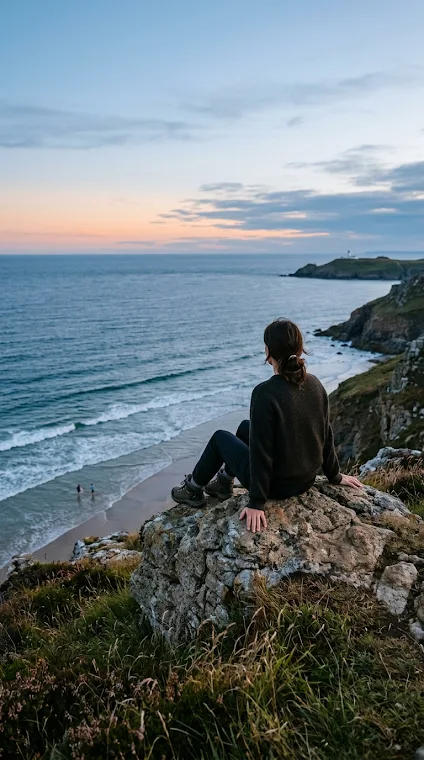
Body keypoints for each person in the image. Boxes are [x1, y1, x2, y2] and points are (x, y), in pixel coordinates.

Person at [171, 318, 362, 533]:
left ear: (268, 352)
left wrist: (256, 502)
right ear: (300, 350)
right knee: (245, 427)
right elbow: (325, 433)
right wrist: (334, 475)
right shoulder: (315, 384)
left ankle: (192, 490)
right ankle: (224, 482)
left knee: (219, 438)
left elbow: (262, 452)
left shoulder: (265, 393)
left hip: (276, 486)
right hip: (305, 478)